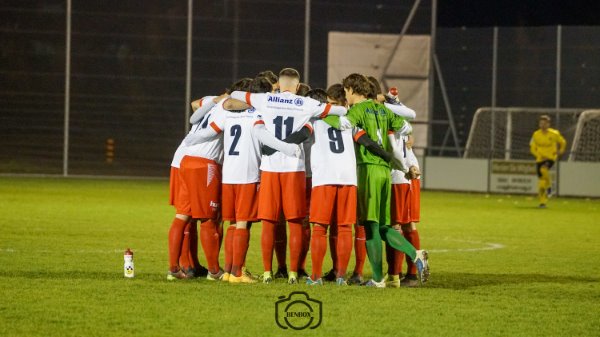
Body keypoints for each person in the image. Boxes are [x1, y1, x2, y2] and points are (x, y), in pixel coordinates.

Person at [225, 67, 347, 284]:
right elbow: (337, 111)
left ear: (279, 85)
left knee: (269, 223)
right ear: (298, 86)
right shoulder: (306, 103)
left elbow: (234, 95)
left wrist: (251, 99)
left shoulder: (265, 99)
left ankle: (266, 273)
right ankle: (293, 272)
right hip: (295, 168)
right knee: (295, 222)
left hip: (270, 168)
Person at [184, 77, 301, 283]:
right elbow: (269, 138)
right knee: (242, 224)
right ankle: (238, 272)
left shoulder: (230, 115)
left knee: (231, 224)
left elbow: (208, 129)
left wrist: (191, 139)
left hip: (228, 176)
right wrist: (288, 148)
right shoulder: (259, 115)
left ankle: (228, 271)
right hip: (248, 175)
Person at [335, 73, 429, 287]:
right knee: (383, 226)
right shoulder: (383, 110)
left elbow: (343, 125)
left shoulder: (357, 110)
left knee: (370, 226)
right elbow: (407, 128)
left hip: (368, 169)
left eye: (346, 92)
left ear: (351, 89)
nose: (345, 96)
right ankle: (415, 254)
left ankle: (378, 278)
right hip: (386, 173)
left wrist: (329, 115)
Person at [529, 115, 566, 208]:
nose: (543, 125)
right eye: (541, 123)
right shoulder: (536, 134)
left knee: (543, 169)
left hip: (551, 157)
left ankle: (549, 187)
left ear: (549, 124)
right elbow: (532, 148)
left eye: (545, 123)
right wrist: (539, 155)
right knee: (541, 182)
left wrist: (560, 151)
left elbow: (563, 142)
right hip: (540, 159)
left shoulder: (554, 134)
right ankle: (542, 202)